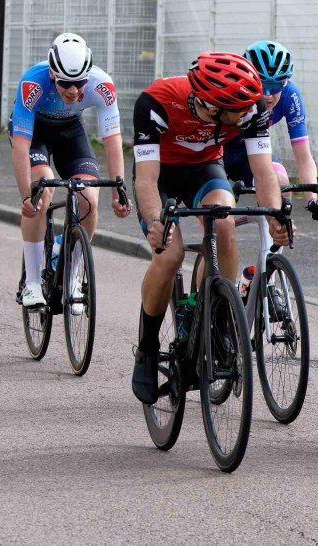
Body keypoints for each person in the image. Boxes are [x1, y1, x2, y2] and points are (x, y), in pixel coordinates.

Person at [128, 52, 290, 404]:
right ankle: (147, 348)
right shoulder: (156, 102)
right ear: (211, 106)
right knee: (169, 256)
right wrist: (156, 222)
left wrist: (277, 214)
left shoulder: (251, 107)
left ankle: (214, 317)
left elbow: (263, 171)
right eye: (239, 111)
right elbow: (146, 180)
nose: (249, 113)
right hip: (162, 177)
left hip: (204, 170)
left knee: (225, 223)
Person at [12, 33, 130, 309]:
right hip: (35, 133)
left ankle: (72, 273)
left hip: (70, 132)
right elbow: (20, 146)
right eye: (66, 83)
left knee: (88, 199)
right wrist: (25, 196)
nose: (74, 91)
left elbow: (113, 143)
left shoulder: (103, 85)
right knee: (43, 187)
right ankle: (31, 283)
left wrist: (118, 190)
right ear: (53, 75)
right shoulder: (33, 83)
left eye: (80, 84)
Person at [222, 40, 318, 246]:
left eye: (275, 86)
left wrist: (312, 198)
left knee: (281, 182)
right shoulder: (233, 90)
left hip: (251, 152)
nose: (268, 94)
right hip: (217, 152)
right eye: (262, 85)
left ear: (285, 83)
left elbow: (303, 156)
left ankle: (268, 265)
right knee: (220, 229)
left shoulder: (290, 96)